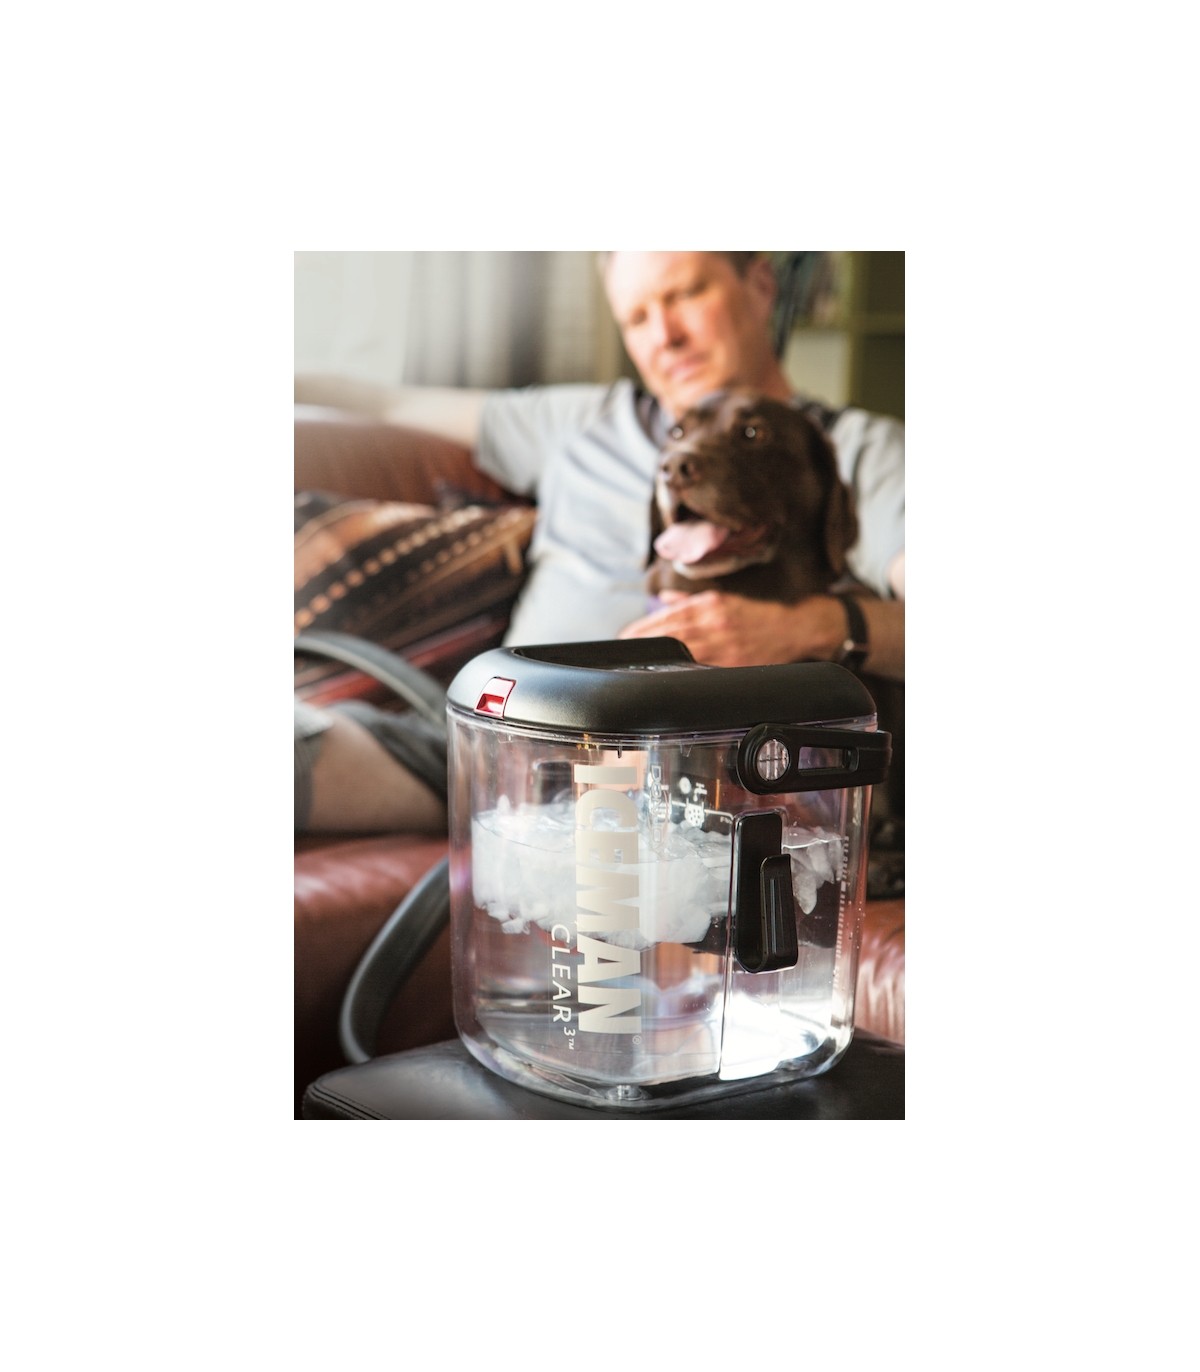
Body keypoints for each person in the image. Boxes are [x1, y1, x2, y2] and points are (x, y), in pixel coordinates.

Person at [295, 251, 904, 832]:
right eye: (636, 318)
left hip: (707, 770)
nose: (664, 335)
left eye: (687, 294)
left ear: (762, 286)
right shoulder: (582, 422)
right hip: (496, 752)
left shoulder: (856, 452)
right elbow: (384, 401)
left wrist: (810, 626)